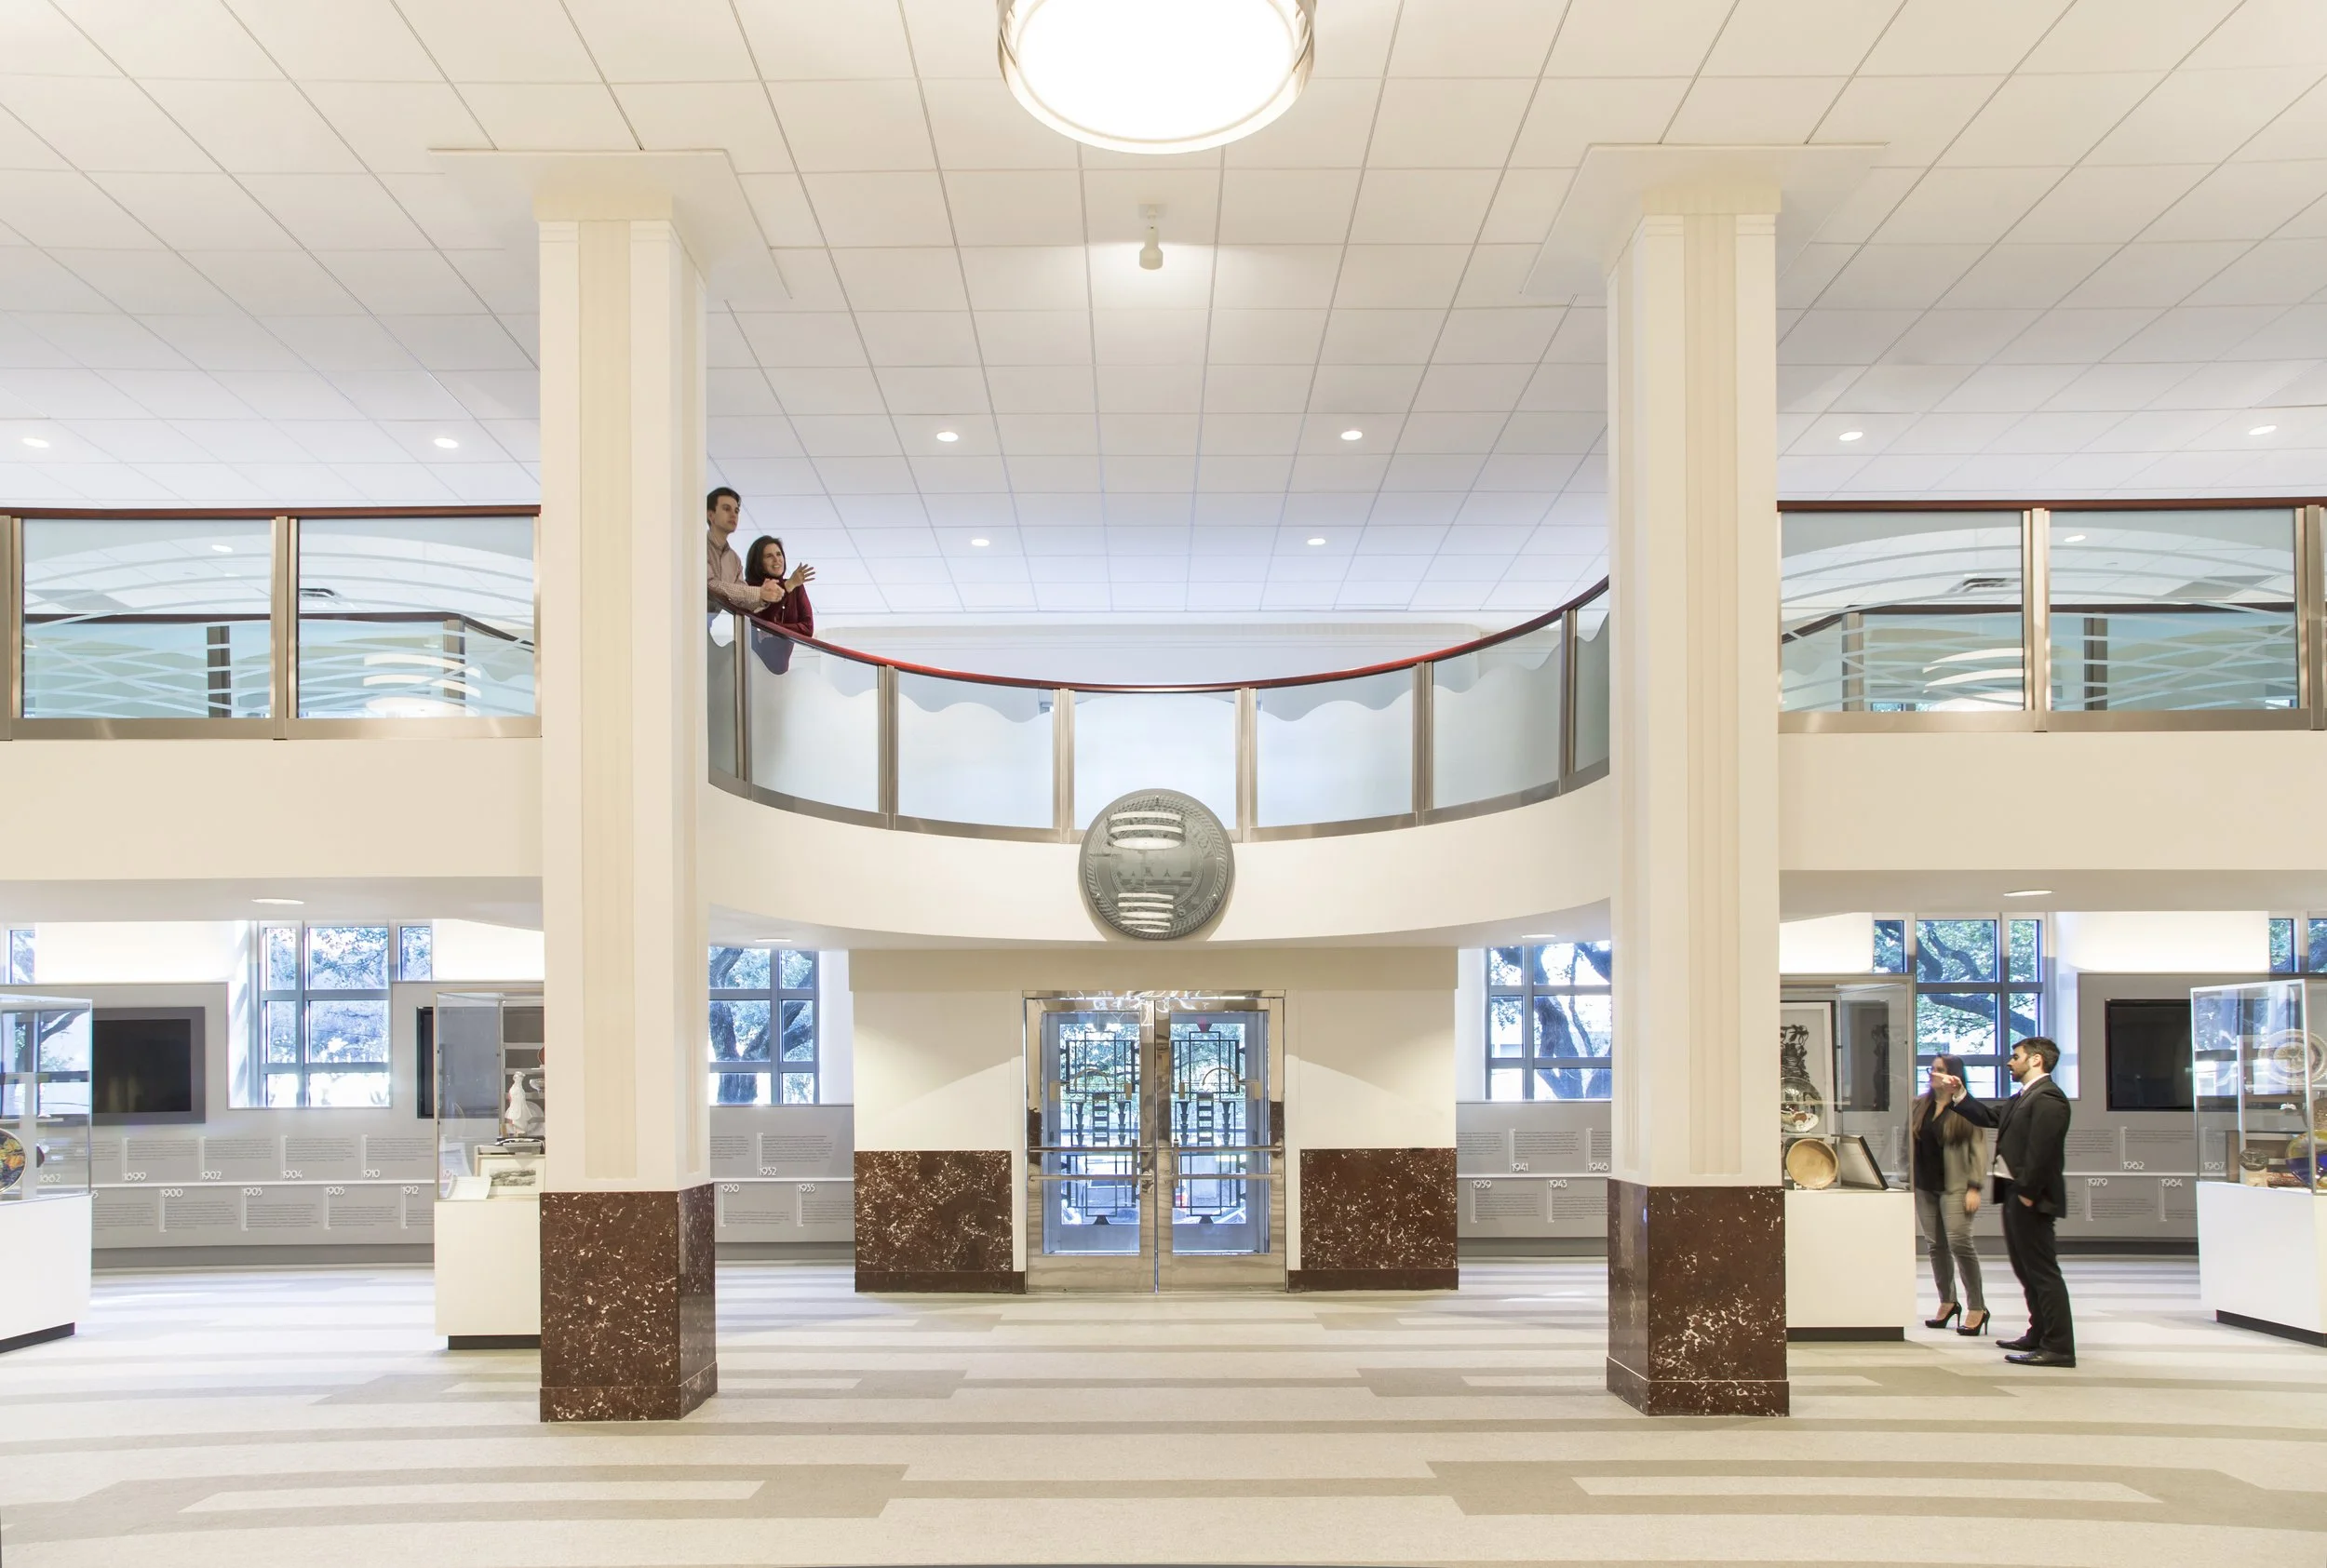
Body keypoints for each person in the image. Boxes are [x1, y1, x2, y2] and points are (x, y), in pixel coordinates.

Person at [1994, 1036, 2075, 1367]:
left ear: (2036, 1060)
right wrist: (1956, 1094)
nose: (2010, 1062)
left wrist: (2027, 1192)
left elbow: (2043, 1151)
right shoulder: (2024, 1097)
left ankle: (2058, 1347)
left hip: (2031, 1198)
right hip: (2017, 1193)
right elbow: (1990, 1115)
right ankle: (2038, 1332)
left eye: (2016, 1056)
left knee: (2042, 1272)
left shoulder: (2049, 1098)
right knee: (2026, 1270)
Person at [1911, 1053, 1997, 1336]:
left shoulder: (1965, 1108)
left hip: (1957, 1185)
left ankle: (1977, 1307)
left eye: (1940, 1070)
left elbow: (1978, 1151)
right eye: (1932, 1069)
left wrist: (1975, 1187)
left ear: (1954, 1076)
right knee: (1935, 1246)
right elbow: (1908, 1143)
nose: (1934, 1074)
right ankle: (1947, 1302)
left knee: (1960, 1243)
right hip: (1925, 1185)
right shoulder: (1919, 1105)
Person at [742, 533, 814, 674]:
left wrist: (774, 629)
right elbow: (764, 618)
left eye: (779, 554)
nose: (777, 559)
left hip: (780, 674)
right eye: (769, 556)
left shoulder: (796, 588)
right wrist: (788, 586)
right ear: (759, 563)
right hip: (753, 671)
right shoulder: (750, 588)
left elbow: (808, 628)